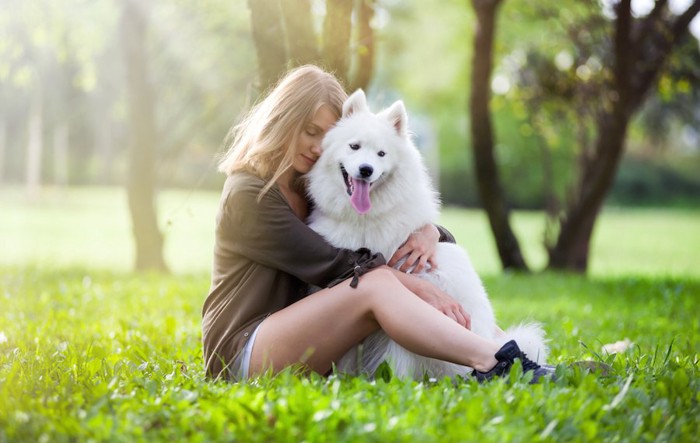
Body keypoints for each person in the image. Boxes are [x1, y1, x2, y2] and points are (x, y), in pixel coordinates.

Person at [202, 65, 553, 383]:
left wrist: (429, 232)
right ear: (282, 120)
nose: (318, 146)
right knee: (372, 284)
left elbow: (380, 226)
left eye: (327, 136)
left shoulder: (309, 187)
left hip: (301, 338)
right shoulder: (248, 193)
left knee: (402, 277)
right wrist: (417, 287)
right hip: (240, 352)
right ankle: (492, 362)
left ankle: (512, 355)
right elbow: (333, 264)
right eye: (310, 131)